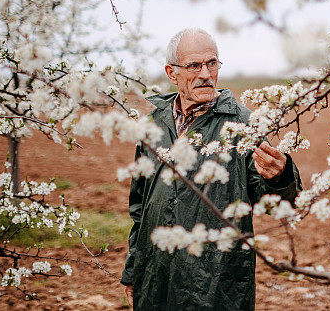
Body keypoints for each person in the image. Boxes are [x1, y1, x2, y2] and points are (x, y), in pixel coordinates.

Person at [120, 28, 301, 310]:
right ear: (172, 73)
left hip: (218, 285)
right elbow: (140, 209)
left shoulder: (242, 124)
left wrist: (280, 176)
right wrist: (133, 272)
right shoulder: (153, 126)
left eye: (212, 63)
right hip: (157, 280)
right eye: (194, 65)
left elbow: (275, 201)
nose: (205, 73)